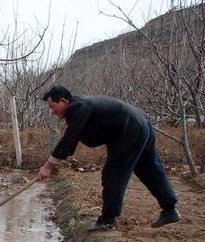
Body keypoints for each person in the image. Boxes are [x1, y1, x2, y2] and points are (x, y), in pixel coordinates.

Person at [38, 86, 180, 231]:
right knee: (149, 168)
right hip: (141, 124)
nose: (53, 112)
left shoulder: (77, 107)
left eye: (52, 107)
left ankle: (108, 219)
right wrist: (56, 161)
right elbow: (73, 139)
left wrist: (48, 166)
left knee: (113, 174)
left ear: (62, 101)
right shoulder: (81, 105)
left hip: (129, 129)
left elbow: (69, 138)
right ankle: (170, 209)